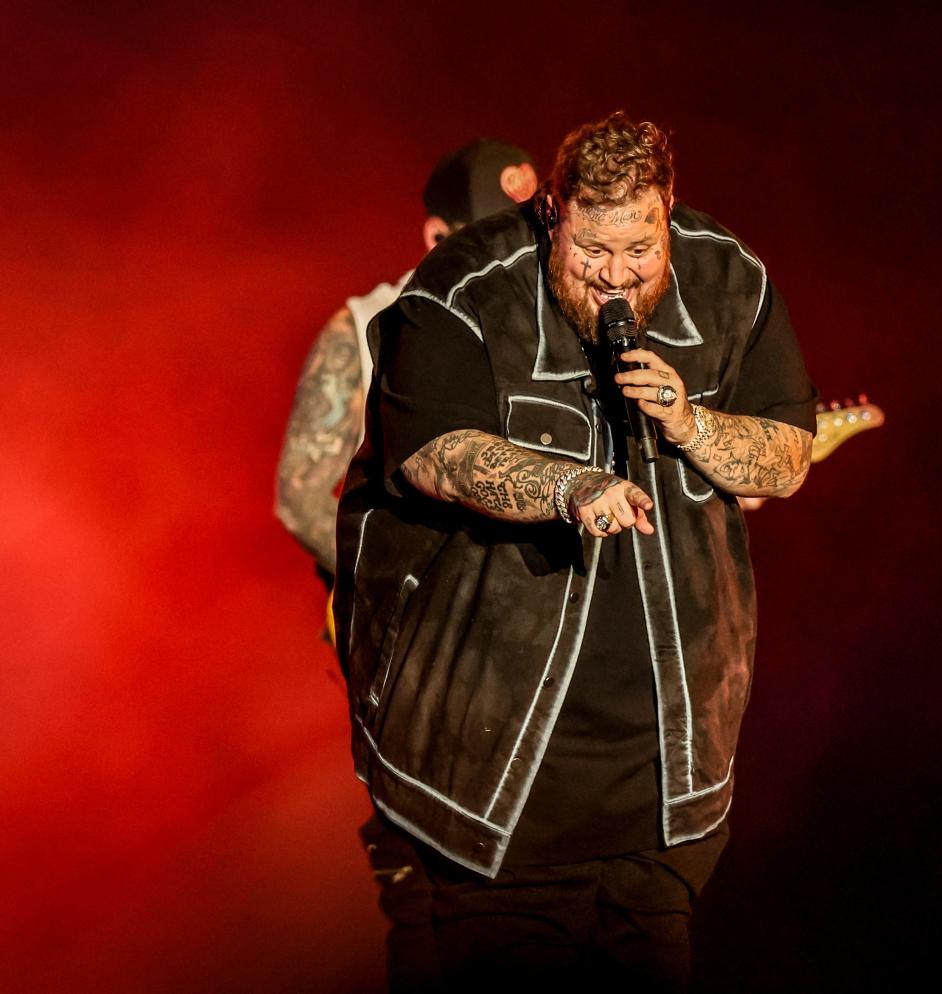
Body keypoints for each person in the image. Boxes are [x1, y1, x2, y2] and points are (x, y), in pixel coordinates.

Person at [334, 112, 818, 991]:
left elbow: (785, 460)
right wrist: (571, 487)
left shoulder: (728, 278)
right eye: (594, 251)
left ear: (668, 209)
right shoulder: (462, 289)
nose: (617, 277)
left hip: (670, 781)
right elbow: (434, 455)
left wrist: (690, 420)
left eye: (641, 248)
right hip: (501, 784)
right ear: (555, 214)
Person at [274, 140, 537, 581]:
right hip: (416, 637)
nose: (515, 255)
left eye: (528, 234)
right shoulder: (362, 328)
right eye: (491, 237)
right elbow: (300, 499)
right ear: (438, 236)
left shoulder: (546, 326)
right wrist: (396, 593)